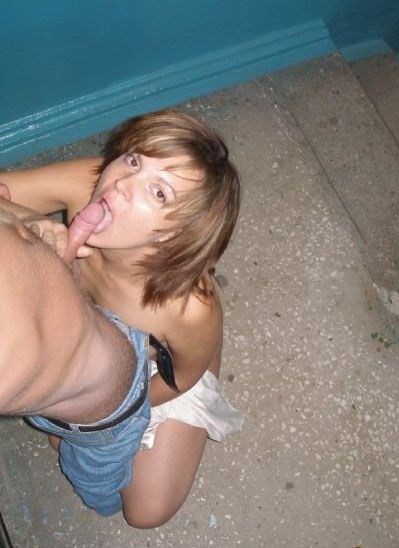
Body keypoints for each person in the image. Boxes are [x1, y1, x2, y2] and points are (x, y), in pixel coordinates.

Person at [0, 109, 243, 528]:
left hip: (156, 366)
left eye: (159, 193)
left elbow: (180, 378)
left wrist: (119, 412)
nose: (121, 185)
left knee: (146, 512)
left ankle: (211, 348)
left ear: (175, 235)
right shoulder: (87, 183)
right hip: (87, 331)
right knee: (63, 435)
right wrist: (31, 222)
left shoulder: (186, 307)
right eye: (133, 160)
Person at [0, 203, 151, 516]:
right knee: (94, 478)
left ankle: (105, 500)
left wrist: (31, 223)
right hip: (88, 406)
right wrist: (28, 227)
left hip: (107, 410)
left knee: (100, 484)